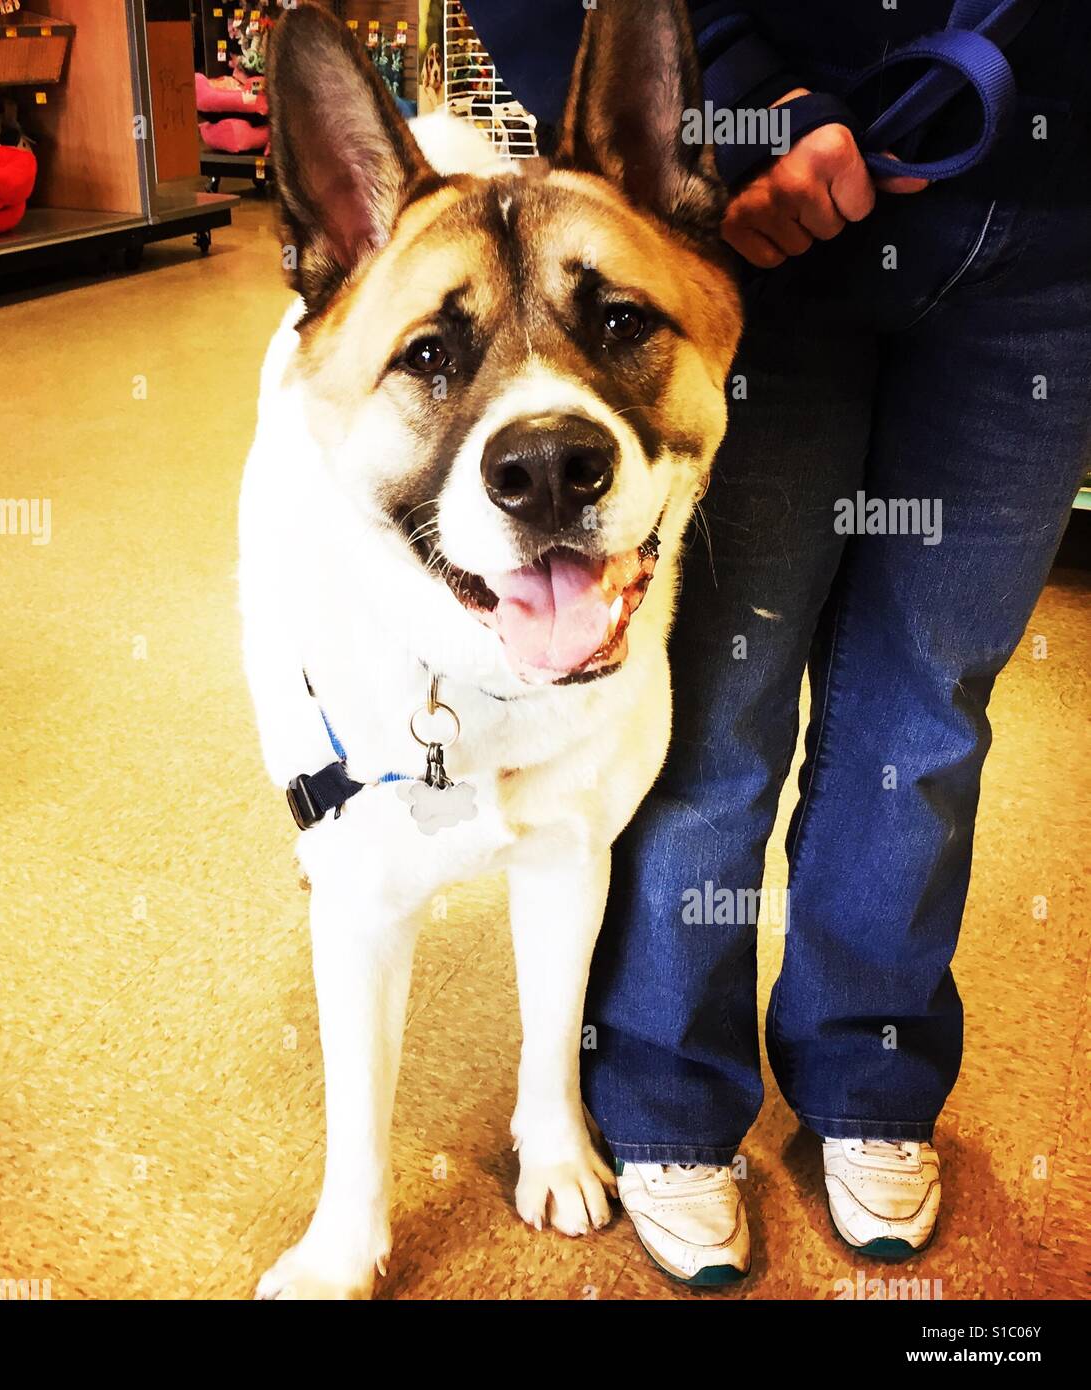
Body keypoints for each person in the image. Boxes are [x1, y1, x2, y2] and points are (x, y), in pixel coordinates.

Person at [462, 0, 1091, 1283]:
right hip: (753, 204)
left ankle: (871, 1069)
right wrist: (744, 99)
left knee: (929, 701)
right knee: (711, 701)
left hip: (1059, 220)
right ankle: (665, 1095)